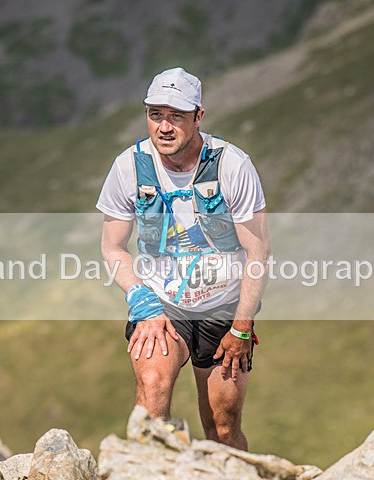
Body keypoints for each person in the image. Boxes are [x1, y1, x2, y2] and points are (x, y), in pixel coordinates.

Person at [97, 67, 269, 451]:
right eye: (155, 114)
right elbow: (112, 247)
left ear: (198, 117)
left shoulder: (231, 165)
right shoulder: (129, 167)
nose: (164, 126)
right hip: (162, 303)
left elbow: (258, 252)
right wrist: (140, 299)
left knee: (223, 425)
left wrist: (241, 327)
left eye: (176, 115)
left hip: (224, 306)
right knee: (153, 394)